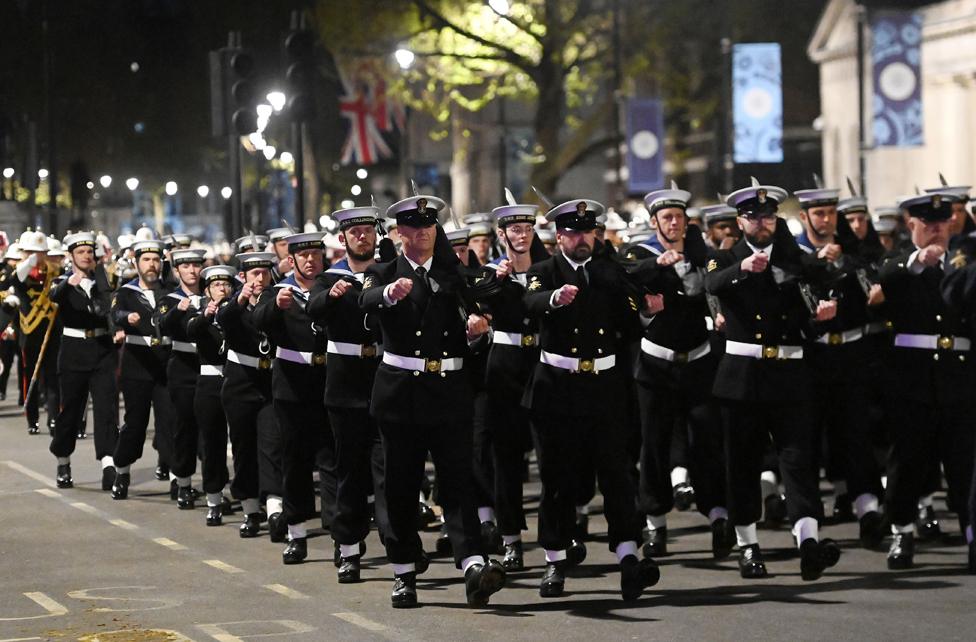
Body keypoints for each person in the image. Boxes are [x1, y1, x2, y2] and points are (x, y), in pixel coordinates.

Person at [359, 193, 506, 609]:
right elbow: (365, 302)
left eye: (429, 225)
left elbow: (471, 321)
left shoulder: (454, 274)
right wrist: (389, 295)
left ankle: (474, 564)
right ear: (399, 232)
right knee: (402, 485)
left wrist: (477, 334)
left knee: (458, 479)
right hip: (401, 392)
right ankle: (405, 570)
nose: (423, 232)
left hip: (448, 392)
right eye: (414, 225)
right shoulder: (382, 271)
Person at [522, 197, 661, 601]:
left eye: (587, 231)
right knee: (557, 480)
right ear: (558, 235)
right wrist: (552, 299)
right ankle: (554, 560)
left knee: (618, 477)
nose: (581, 238)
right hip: (557, 389)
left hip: (605, 388)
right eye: (572, 231)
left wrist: (649, 313)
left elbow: (631, 317)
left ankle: (629, 557)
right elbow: (528, 303)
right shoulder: (542, 272)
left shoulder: (611, 272)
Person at [704, 179, 841, 581]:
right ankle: (748, 545)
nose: (761, 223)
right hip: (742, 378)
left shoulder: (798, 259)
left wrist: (826, 310)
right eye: (753, 216)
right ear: (740, 221)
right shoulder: (723, 258)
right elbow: (711, 284)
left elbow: (825, 290)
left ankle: (809, 541)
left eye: (767, 216)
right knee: (742, 463)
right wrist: (742, 270)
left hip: (789, 374)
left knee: (798, 461)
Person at [628, 185, 734, 560]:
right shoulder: (641, 253)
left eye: (679, 217)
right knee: (654, 445)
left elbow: (716, 279)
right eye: (667, 217)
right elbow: (624, 277)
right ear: (654, 222)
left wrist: (718, 310)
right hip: (656, 365)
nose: (674, 223)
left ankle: (719, 515)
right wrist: (653, 276)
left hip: (699, 361)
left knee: (708, 440)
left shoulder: (701, 253)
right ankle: (655, 523)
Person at [879, 191, 974, 570]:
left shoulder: (965, 263)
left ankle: (971, 535)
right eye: (927, 224)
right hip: (912, 380)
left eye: (942, 222)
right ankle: (902, 531)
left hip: (959, 377)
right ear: (911, 225)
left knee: (964, 464)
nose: (936, 230)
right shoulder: (898, 263)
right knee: (908, 461)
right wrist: (917, 260)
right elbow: (885, 278)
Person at [793, 185, 885, 547]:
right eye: (818, 214)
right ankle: (807, 522)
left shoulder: (853, 255)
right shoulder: (795, 256)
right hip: (812, 358)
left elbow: (871, 294)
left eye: (831, 213)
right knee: (808, 440)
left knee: (856, 436)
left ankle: (869, 509)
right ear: (805, 218)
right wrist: (818, 265)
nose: (826, 219)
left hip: (850, 355)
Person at [307, 205, 390, 584]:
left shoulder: (387, 271)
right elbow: (314, 307)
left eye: (368, 231)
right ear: (342, 238)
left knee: (388, 470)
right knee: (350, 472)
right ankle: (350, 549)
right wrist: (334, 295)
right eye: (354, 233)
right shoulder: (328, 278)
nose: (362, 237)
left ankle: (397, 543)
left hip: (384, 378)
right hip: (344, 386)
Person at [251, 231, 334, 566]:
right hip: (291, 385)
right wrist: (275, 307)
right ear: (293, 260)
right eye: (304, 255)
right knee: (296, 461)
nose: (310, 260)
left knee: (332, 460)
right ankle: (296, 533)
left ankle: (341, 536)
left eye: (315, 254)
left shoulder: (333, 285)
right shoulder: (277, 291)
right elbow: (258, 319)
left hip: (329, 379)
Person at [477, 198, 549, 571]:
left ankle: (557, 536)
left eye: (527, 229)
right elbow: (477, 301)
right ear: (501, 234)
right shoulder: (491, 273)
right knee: (505, 459)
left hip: (542, 363)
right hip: (504, 366)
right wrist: (498, 280)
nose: (522, 235)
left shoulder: (546, 270)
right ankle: (510, 540)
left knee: (550, 455)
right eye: (514, 230)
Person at [216, 251, 284, 541]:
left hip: (270, 382)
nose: (260, 279)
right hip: (241, 381)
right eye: (254, 274)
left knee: (271, 445)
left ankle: (274, 507)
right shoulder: (233, 304)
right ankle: (249, 508)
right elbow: (224, 318)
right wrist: (241, 299)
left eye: (265, 273)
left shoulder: (276, 300)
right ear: (241, 277)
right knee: (243, 447)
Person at [48, 232, 119, 491]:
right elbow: (53, 296)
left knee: (106, 408)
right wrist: (70, 283)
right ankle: (63, 460)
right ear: (71, 256)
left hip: (102, 349)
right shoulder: (63, 281)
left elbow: (113, 305)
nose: (87, 256)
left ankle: (109, 464)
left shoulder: (104, 280)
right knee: (71, 411)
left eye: (90, 252)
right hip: (74, 351)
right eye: (81, 252)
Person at [110, 239, 177, 500]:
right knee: (135, 424)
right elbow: (115, 314)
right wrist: (127, 318)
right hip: (137, 365)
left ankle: (177, 479)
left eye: (156, 260)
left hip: (166, 365)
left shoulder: (170, 291)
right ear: (136, 263)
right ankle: (122, 471)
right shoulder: (125, 292)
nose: (152, 264)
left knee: (169, 422)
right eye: (146, 260)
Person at [186, 264, 235, 526]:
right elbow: (191, 329)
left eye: (226, 284)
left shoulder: (237, 311)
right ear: (207, 290)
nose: (222, 289)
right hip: (209, 381)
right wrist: (207, 314)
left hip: (237, 379)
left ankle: (251, 496)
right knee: (212, 443)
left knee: (243, 441)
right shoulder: (201, 314)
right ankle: (214, 499)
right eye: (216, 285)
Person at [157, 248, 207, 509]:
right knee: (185, 427)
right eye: (186, 266)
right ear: (177, 271)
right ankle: (183, 482)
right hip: (183, 366)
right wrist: (178, 310)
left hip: (209, 365)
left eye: (196, 265)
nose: (192, 270)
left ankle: (213, 486)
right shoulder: (170, 298)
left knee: (211, 429)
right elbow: (162, 323)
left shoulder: (211, 294)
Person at [8, 230, 61, 435]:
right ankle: (33, 418)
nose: (38, 256)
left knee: (53, 376)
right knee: (30, 374)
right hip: (29, 331)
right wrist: (30, 260)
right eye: (32, 252)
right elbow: (16, 279)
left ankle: (54, 418)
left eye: (40, 252)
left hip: (51, 329)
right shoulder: (19, 273)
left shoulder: (53, 271)